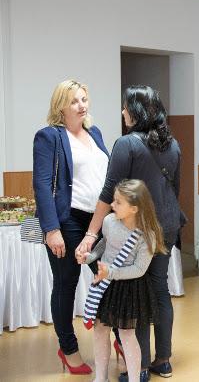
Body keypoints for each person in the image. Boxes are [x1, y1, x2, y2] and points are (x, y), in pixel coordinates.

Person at [76, 85, 183, 381]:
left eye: (126, 106)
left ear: (136, 111)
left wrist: (91, 233)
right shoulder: (172, 144)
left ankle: (141, 366)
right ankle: (164, 360)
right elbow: (175, 189)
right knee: (159, 290)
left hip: (138, 228)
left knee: (137, 294)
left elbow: (109, 191)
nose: (123, 111)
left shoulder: (126, 144)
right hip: (167, 225)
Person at [33, 79, 109, 375]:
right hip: (68, 221)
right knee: (66, 283)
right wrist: (51, 229)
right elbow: (42, 184)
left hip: (98, 221)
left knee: (109, 279)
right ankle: (68, 349)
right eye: (74, 101)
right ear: (61, 106)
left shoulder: (95, 132)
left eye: (84, 99)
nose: (81, 105)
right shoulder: (49, 136)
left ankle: (119, 337)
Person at [78, 180, 166, 382]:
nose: (112, 205)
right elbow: (104, 244)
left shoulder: (148, 235)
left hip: (129, 287)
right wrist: (89, 258)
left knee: (127, 334)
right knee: (100, 330)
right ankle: (101, 378)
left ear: (134, 208)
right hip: (106, 285)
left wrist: (110, 272)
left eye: (118, 202)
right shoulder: (109, 222)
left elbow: (139, 269)